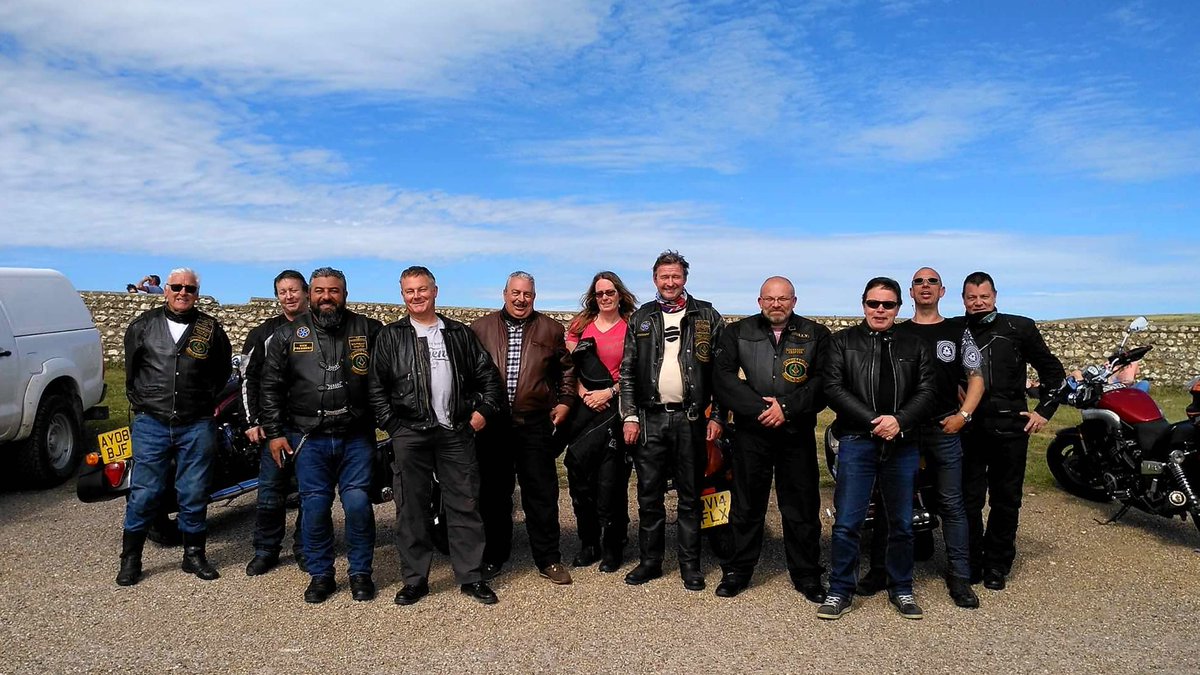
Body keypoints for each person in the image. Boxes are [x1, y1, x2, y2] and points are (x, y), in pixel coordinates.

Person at [369, 266, 506, 606]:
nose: (416, 296)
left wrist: (479, 415)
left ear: (435, 291)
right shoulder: (390, 336)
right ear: (402, 295)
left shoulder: (458, 334)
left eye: (422, 289)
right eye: (409, 291)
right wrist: (394, 426)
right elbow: (375, 387)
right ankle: (415, 580)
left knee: (464, 504)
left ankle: (471, 576)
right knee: (411, 509)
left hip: (455, 432)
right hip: (409, 433)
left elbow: (488, 379)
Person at [857, 267, 986, 609]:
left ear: (942, 291)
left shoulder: (958, 332)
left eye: (932, 282)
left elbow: (977, 378)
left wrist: (964, 415)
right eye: (918, 282)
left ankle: (959, 576)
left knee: (952, 504)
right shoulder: (894, 333)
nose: (925, 286)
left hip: (944, 429)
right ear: (909, 294)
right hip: (903, 430)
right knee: (889, 504)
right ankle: (880, 570)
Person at [260, 267, 383, 603]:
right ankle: (321, 574)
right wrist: (273, 433)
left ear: (345, 294)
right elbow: (270, 387)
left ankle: (360, 573)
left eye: (334, 291)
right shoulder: (287, 335)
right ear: (310, 294)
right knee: (314, 507)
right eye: (319, 291)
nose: (326, 297)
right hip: (307, 438)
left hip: (355, 435)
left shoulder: (369, 330)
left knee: (358, 504)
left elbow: (387, 378)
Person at [817, 277, 935, 621]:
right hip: (857, 440)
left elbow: (928, 391)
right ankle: (840, 589)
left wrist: (899, 421)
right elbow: (834, 388)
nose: (880, 310)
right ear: (863, 304)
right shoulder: (842, 343)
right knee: (848, 522)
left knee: (901, 522)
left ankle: (901, 587)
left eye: (888, 304)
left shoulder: (914, 345)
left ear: (899, 307)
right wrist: (873, 421)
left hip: (902, 442)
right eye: (873, 303)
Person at [711, 276, 830, 602]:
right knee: (746, 505)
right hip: (752, 432)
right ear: (759, 301)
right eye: (769, 298)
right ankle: (737, 570)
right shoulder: (737, 332)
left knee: (802, 507)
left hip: (796, 432)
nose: (776, 304)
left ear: (794, 301)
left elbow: (823, 382)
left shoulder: (816, 334)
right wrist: (760, 409)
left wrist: (787, 408)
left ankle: (807, 574)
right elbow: (722, 379)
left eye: (783, 298)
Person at [116, 267, 233, 586]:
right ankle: (131, 559)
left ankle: (194, 555)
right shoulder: (143, 326)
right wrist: (144, 402)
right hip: (152, 423)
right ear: (165, 290)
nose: (183, 293)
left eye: (190, 289)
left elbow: (223, 368)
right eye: (177, 287)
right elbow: (131, 372)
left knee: (194, 491)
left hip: (196, 423)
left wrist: (203, 399)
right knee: (145, 492)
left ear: (197, 294)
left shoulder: (209, 328)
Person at [619, 250, 724, 591]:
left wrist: (718, 416)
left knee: (691, 495)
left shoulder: (707, 315)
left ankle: (689, 565)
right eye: (664, 277)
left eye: (675, 276)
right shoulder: (642, 318)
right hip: (649, 419)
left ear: (685, 279)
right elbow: (628, 372)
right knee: (649, 495)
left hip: (691, 419)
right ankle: (650, 562)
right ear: (655, 280)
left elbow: (722, 375)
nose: (670, 282)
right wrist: (630, 416)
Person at [470, 272, 577, 584]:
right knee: (493, 494)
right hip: (494, 425)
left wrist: (566, 401)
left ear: (534, 296)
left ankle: (548, 558)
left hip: (534, 425)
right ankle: (493, 556)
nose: (521, 299)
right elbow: (469, 373)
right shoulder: (481, 328)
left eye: (527, 294)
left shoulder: (551, 329)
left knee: (541, 494)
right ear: (504, 293)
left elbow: (566, 371)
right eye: (515, 293)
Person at [960, 271, 1064, 591]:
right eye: (971, 297)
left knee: (1006, 500)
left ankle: (997, 563)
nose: (978, 303)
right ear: (963, 299)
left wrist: (1044, 411)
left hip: (1010, 427)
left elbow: (1053, 372)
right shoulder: (954, 330)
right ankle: (971, 561)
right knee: (968, 500)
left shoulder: (1020, 327)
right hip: (969, 428)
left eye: (984, 297)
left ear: (995, 296)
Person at [562, 271, 637, 573]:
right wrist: (583, 393)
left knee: (611, 481)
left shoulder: (632, 325)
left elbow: (638, 371)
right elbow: (569, 366)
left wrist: (609, 391)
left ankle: (613, 544)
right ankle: (588, 542)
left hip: (616, 407)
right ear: (593, 297)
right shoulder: (581, 326)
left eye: (610, 292)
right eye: (599, 293)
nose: (605, 297)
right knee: (580, 478)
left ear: (620, 294)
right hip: (585, 410)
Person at [242, 270, 309, 576]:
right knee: (270, 492)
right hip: (276, 426)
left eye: (294, 290)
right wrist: (254, 420)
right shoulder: (262, 333)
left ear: (306, 292)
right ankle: (266, 549)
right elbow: (249, 378)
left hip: (311, 426)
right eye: (282, 291)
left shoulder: (320, 327)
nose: (289, 296)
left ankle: (306, 548)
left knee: (312, 492)